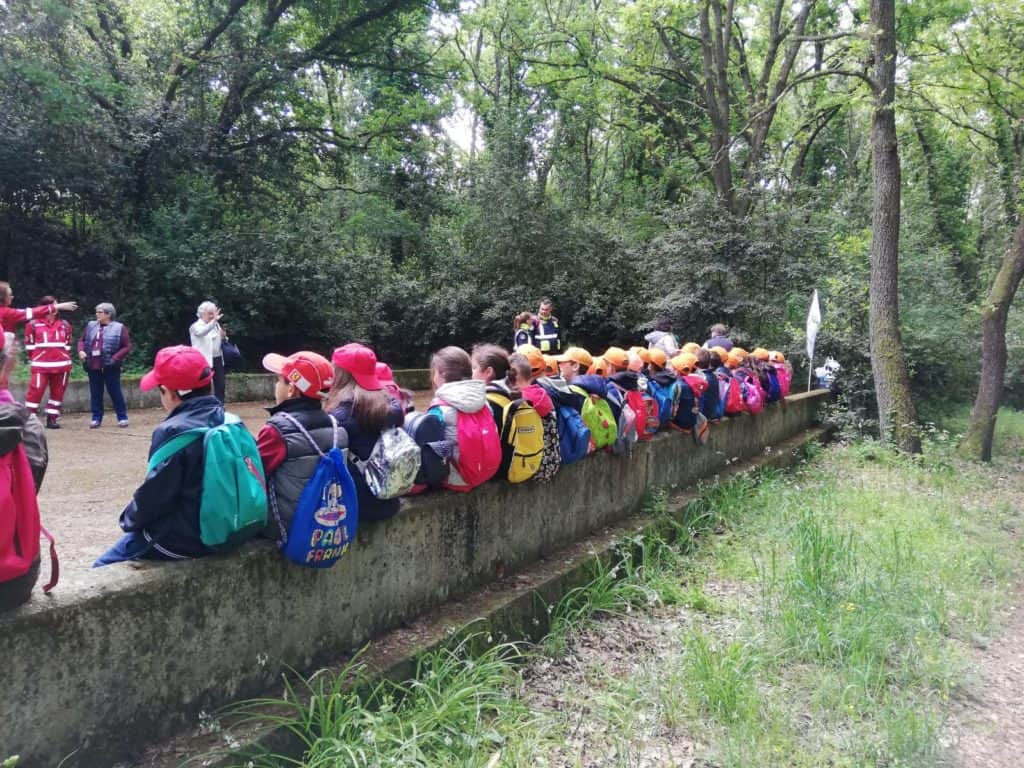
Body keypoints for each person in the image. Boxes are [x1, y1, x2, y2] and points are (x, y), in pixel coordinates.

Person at [94, 346, 225, 565]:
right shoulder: (226, 418)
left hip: (185, 538)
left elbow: (156, 496)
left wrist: (129, 520)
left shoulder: (173, 431)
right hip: (224, 527)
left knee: (100, 569)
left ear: (169, 392)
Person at [257, 351, 340, 539]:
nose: (276, 385)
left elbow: (253, 476)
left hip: (286, 527)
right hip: (323, 522)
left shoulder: (277, 430)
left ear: (291, 389)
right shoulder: (337, 426)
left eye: (279, 380)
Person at [325, 343, 405, 521]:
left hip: (358, 508)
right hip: (390, 499)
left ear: (340, 374)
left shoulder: (339, 415)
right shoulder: (393, 406)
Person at [426, 346, 500, 491]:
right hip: (487, 471)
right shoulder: (484, 401)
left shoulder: (440, 408)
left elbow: (430, 447)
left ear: (441, 376)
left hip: (458, 479)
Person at [77, 302, 132, 428]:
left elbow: (127, 346)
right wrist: (81, 351)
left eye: (100, 312)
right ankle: (96, 418)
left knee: (115, 391)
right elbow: (82, 340)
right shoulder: (91, 325)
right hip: (93, 364)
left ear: (108, 314)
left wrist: (115, 358)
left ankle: (122, 417)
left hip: (111, 365)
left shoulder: (119, 327)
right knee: (95, 392)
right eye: (96, 312)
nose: (97, 314)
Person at [24, 296, 73, 429]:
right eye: (53, 305)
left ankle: (52, 418)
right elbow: (29, 346)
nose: (56, 308)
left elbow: (68, 345)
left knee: (58, 392)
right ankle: (29, 419)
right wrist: (38, 357)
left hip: (62, 365)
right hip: (41, 366)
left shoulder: (64, 324)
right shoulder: (33, 324)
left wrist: (62, 356)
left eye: (57, 305)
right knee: (35, 391)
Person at [189, 301, 228, 404]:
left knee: (220, 385)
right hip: (202, 361)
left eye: (214, 313)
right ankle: (202, 408)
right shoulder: (195, 326)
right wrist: (214, 321)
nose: (213, 316)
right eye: (210, 313)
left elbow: (220, 340)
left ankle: (220, 407)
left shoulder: (216, 325)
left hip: (218, 358)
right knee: (203, 388)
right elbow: (202, 332)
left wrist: (224, 337)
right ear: (202, 314)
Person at [0, 282, 77, 332]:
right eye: (9, 295)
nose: (12, 297)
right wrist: (58, 306)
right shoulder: (6, 312)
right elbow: (32, 312)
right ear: (2, 297)